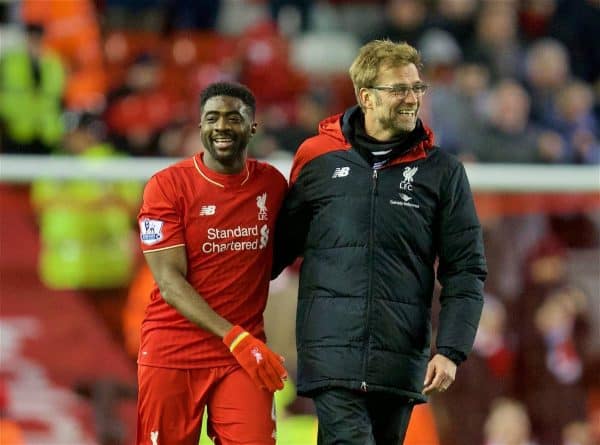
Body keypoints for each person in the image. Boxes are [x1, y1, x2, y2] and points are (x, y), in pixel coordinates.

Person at [273, 39, 487, 444]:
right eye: (399, 90)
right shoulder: (317, 158)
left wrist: (451, 348)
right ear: (366, 97)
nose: (412, 99)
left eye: (417, 88)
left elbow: (466, 269)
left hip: (400, 362)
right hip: (331, 356)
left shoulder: (442, 172)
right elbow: (280, 249)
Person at [136, 82, 288, 445]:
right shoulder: (167, 186)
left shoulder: (272, 184)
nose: (221, 126)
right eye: (211, 118)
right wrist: (233, 336)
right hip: (174, 351)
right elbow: (170, 283)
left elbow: (279, 253)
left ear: (253, 126)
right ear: (200, 126)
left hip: (241, 354)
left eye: (233, 118)